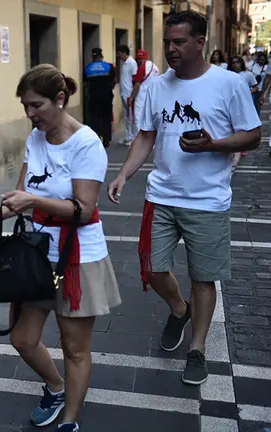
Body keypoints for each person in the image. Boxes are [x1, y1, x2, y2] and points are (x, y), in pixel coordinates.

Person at [108, 10, 261, 386]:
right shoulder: (157, 85)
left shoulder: (228, 84)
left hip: (207, 200)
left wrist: (215, 144)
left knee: (203, 278)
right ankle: (179, 309)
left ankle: (197, 349)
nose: (171, 49)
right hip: (161, 195)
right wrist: (124, 174)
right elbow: (145, 135)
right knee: (152, 269)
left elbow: (253, 135)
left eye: (179, 42)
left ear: (199, 42)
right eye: (168, 43)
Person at [0, 64, 121, 432]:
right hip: (36, 254)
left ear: (60, 99)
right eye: (25, 105)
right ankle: (55, 388)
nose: (29, 113)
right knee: (22, 338)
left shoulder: (86, 143)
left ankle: (70, 420)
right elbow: (20, 193)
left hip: (77, 257)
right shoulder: (35, 138)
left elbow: (84, 211)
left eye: (36, 105)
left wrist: (30, 202)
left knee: (74, 348)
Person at [83, 47, 117, 148]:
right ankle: (106, 140)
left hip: (94, 96)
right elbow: (113, 80)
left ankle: (96, 139)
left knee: (94, 118)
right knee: (106, 117)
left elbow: (85, 83)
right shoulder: (108, 67)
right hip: (106, 95)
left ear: (92, 56)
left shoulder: (88, 68)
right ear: (101, 56)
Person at [129, 49, 160, 128]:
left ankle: (139, 138)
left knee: (138, 119)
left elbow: (137, 85)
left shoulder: (142, 68)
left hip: (141, 97)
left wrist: (132, 97)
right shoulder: (155, 67)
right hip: (153, 97)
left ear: (139, 59)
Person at [117, 45, 139, 146]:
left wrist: (133, 95)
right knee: (126, 116)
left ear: (124, 53)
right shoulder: (124, 63)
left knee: (131, 116)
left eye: (119, 53)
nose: (119, 55)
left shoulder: (132, 63)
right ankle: (128, 136)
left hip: (129, 93)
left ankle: (133, 137)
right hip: (123, 92)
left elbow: (135, 78)